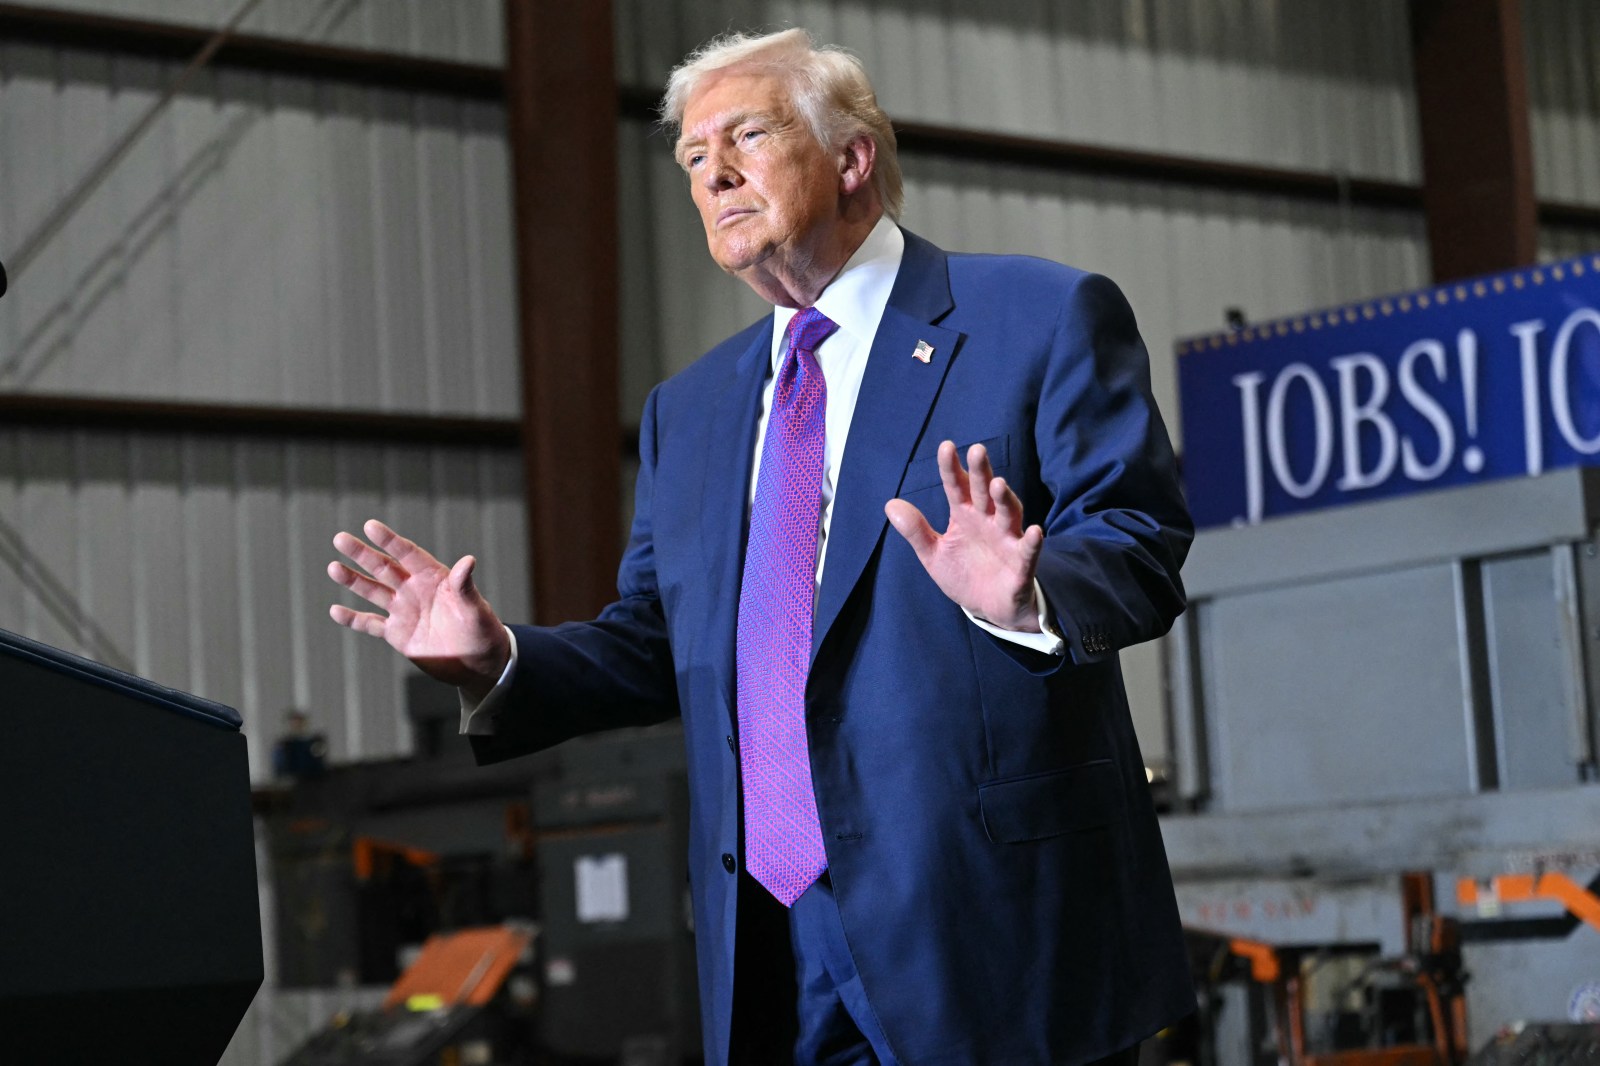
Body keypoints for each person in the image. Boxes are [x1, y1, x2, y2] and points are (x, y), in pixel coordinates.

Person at [329, 28, 1194, 1066]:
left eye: (746, 137)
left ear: (852, 159)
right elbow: (657, 641)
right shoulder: (689, 411)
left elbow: (1139, 539)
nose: (715, 175)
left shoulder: (1039, 317)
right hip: (772, 946)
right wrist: (500, 658)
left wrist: (1029, 595)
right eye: (694, 157)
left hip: (993, 926)